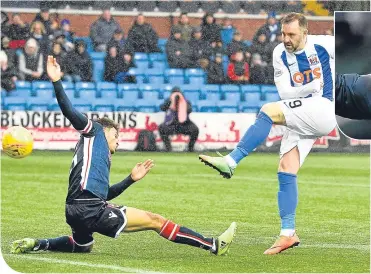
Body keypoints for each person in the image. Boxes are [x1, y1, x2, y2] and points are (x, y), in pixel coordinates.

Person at [10, 56, 236, 256]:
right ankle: (213, 244)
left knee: (82, 246)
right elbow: (69, 111)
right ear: (108, 131)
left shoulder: (97, 154)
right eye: (117, 137)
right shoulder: (95, 130)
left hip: (75, 209)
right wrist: (56, 80)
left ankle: (38, 243)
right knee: (155, 220)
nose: (119, 141)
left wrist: (130, 179)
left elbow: (104, 194)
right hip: (88, 208)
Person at [198, 13, 336, 255]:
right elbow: (285, 93)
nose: (286, 39)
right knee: (286, 169)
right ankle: (288, 233)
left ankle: (231, 161)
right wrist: (311, 84)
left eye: (292, 34)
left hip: (324, 108)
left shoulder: (325, 44)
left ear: (305, 32)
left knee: (267, 110)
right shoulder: (279, 54)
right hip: (303, 110)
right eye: (284, 34)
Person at [159, 87, 200, 152]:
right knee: (161, 128)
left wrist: (182, 104)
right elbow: (162, 108)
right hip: (171, 124)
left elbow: (189, 110)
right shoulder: (168, 101)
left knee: (195, 129)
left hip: (184, 124)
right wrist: (170, 102)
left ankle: (190, 148)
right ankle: (168, 148)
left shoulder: (185, 101)